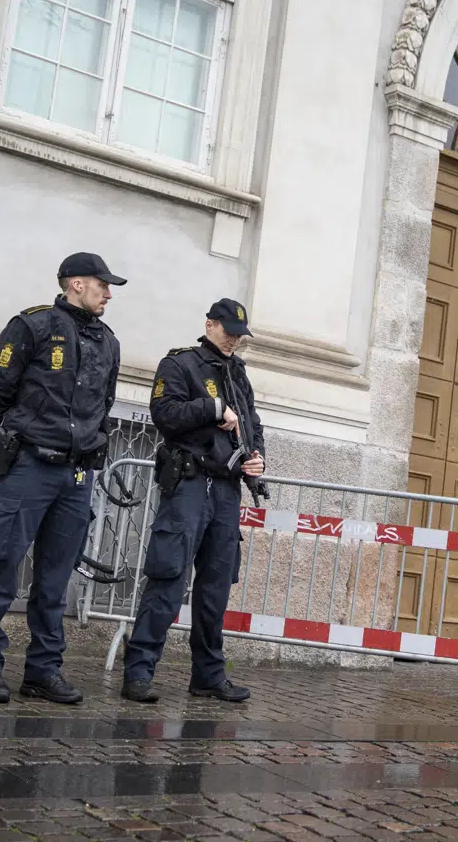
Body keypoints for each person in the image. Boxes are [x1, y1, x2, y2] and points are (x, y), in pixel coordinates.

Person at [0, 252, 125, 705]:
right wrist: (24, 430)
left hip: (75, 475)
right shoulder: (33, 325)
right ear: (76, 283)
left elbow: (104, 402)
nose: (108, 294)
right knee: (0, 565)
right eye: (102, 285)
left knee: (55, 579)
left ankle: (43, 670)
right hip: (31, 466)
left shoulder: (107, 341)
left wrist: (92, 438)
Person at [121, 298, 266, 704]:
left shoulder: (238, 373)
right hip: (189, 482)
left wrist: (257, 458)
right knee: (168, 577)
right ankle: (139, 672)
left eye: (240, 334)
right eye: (228, 331)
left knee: (216, 586)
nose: (234, 340)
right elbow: (164, 414)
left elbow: (252, 424)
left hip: (225, 488)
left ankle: (208, 675)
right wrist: (212, 407)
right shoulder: (180, 364)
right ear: (209, 324)